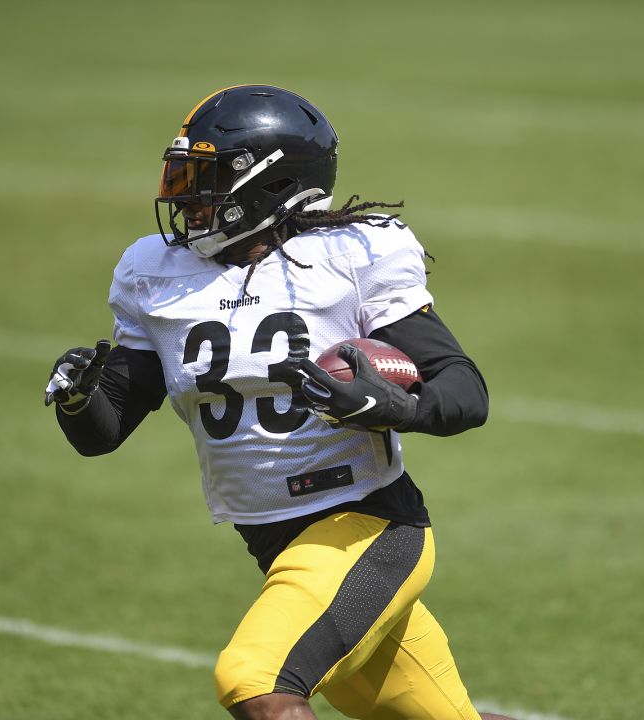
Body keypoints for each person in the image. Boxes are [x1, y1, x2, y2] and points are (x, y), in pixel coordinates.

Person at [45, 85, 512, 720]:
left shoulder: (350, 256)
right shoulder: (154, 274)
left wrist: (386, 408)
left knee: (256, 681)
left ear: (268, 183)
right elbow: (103, 431)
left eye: (203, 179)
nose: (185, 197)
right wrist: (77, 396)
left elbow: (464, 390)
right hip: (275, 546)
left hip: (368, 524)